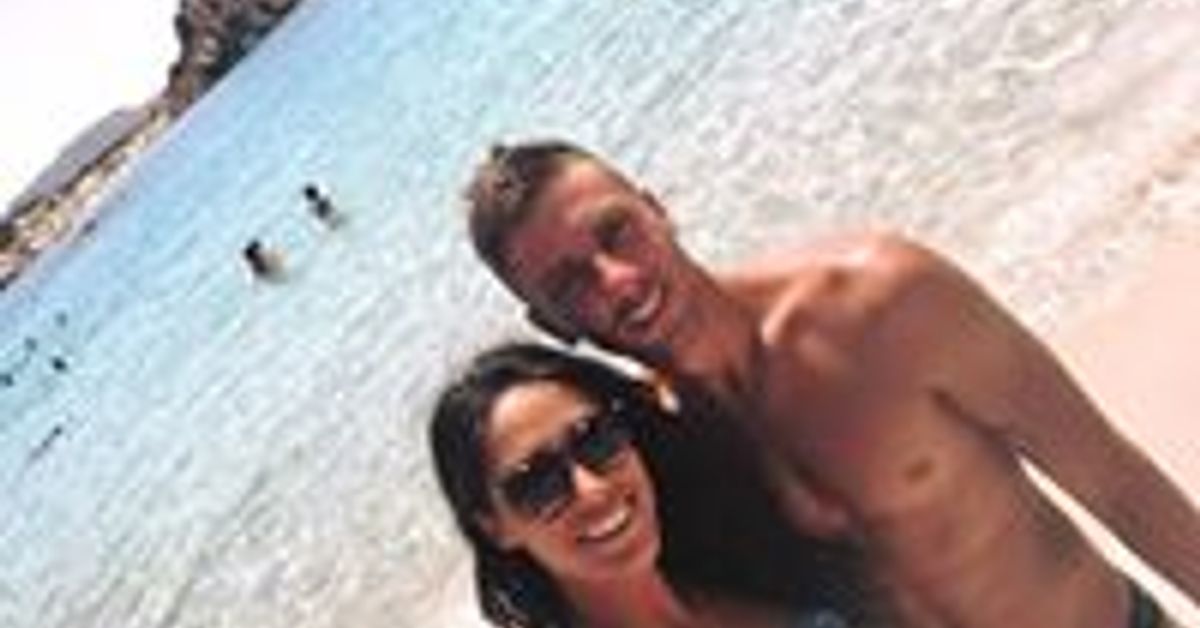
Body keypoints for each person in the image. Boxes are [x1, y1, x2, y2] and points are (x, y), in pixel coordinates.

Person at [462, 140, 1200, 627]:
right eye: (571, 282)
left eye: (616, 232)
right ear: (551, 323)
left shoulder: (877, 300)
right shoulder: (659, 459)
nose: (616, 280)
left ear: (657, 208)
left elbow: (1113, 479)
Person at [430, 342, 874, 627]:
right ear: (494, 527)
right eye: (536, 483)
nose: (591, 489)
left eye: (595, 439)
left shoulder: (748, 560)